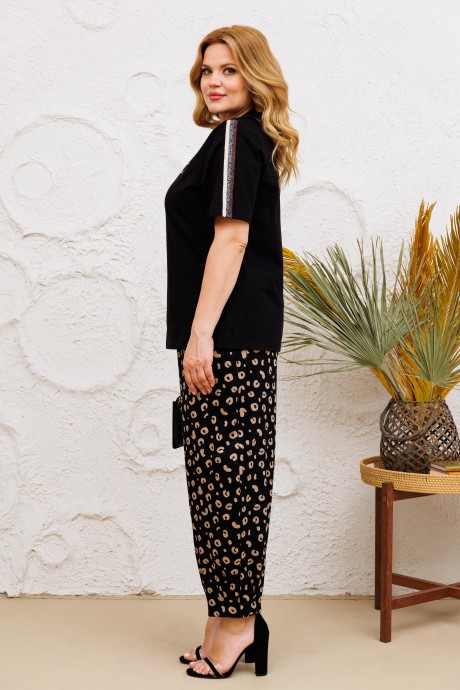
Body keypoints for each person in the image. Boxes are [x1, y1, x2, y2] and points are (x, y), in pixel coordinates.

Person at [164, 24, 299, 679]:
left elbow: (233, 239)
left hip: (228, 340)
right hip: (236, 337)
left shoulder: (237, 139)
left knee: (230, 487)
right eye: (206, 71)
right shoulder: (236, 139)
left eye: (229, 69)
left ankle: (239, 626)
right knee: (219, 485)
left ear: (254, 76)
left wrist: (200, 336)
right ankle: (227, 620)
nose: (214, 81)